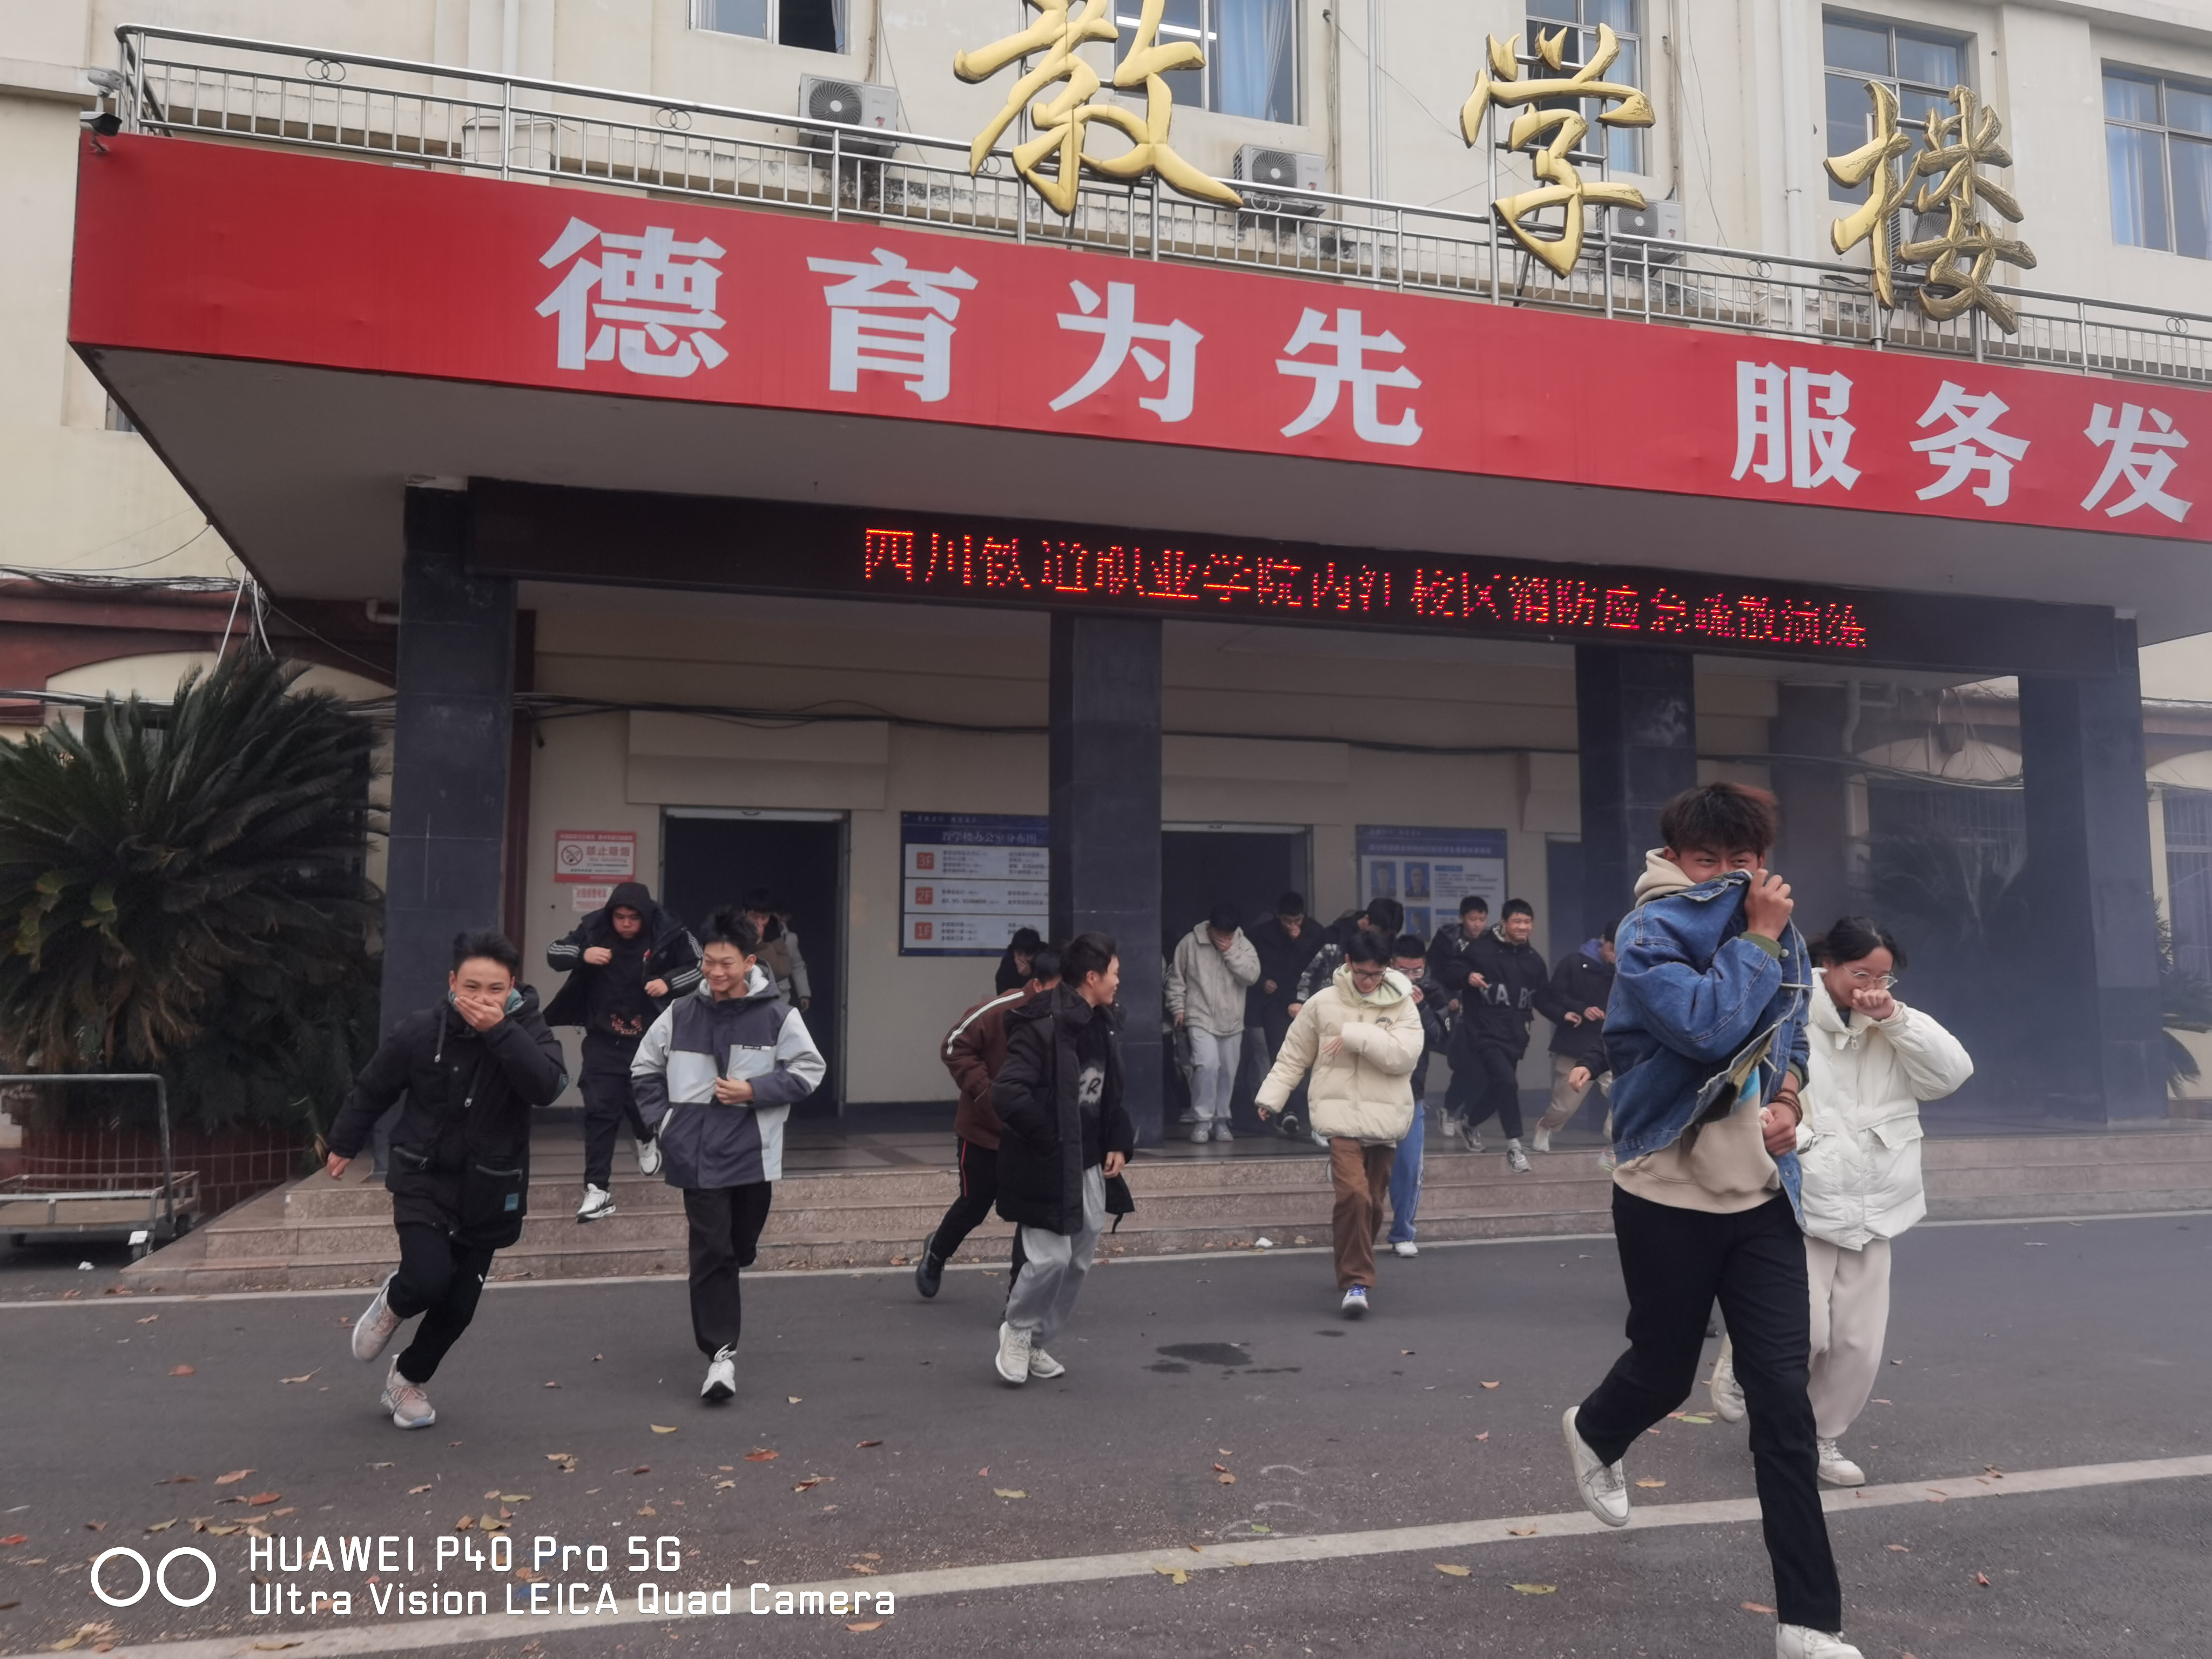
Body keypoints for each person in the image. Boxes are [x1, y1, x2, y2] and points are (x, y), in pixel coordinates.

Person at [1559, 783, 1864, 1659]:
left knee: (1782, 1406)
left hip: (1762, 1198)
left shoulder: (1777, 930)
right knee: (1664, 1372)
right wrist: (1760, 937)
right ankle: (1596, 1430)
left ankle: (1808, 1623)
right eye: (1707, 861)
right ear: (1673, 859)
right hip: (1665, 1190)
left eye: (1743, 860)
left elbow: (1791, 1037)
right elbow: (1705, 1027)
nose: (1727, 876)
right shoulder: (1649, 933)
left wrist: (1789, 1099)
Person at [329, 931, 568, 1431]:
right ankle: (395, 1302)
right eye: (472, 987)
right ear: (453, 982)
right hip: (423, 1176)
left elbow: (547, 1086)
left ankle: (407, 1380)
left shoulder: (529, 1030)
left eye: (495, 989)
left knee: (458, 1308)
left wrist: (501, 1032)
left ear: (512, 988)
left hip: (491, 1187)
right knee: (427, 1277)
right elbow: (374, 1087)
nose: (482, 999)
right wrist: (345, 1142)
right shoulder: (422, 1031)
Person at [1791, 916, 1971, 1487]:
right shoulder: (1790, 1010)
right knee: (1805, 1332)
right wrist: (1805, 1146)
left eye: (1883, 978)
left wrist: (1894, 1019)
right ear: (1829, 966)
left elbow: (1950, 1075)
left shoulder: (1894, 1022)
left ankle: (1821, 1438)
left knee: (1859, 1343)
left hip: (1876, 1202)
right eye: (1860, 974)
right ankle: (1768, 1409)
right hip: (1804, 1200)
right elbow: (1760, 1092)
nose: (1871, 988)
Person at [631, 908, 827, 1404]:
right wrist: (665, 1124)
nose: (716, 972)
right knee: (711, 1251)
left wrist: (754, 1090)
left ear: (748, 962)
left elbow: (809, 1070)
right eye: (710, 963)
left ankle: (738, 1260)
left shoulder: (779, 1017)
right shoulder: (679, 1013)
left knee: (738, 1245)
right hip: (695, 1155)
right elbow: (643, 1069)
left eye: (726, 963)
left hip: (752, 1153)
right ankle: (720, 1355)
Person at [990, 932, 1135, 1385]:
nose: (1119, 980)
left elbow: (1111, 1092)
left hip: (1088, 1161)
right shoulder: (1040, 1024)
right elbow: (1007, 1094)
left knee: (1077, 1260)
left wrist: (1117, 1141)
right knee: (1049, 1259)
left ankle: (1037, 1341)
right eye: (1114, 972)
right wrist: (1051, 1138)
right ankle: (1017, 1331)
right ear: (1092, 976)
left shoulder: (1105, 1023)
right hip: (1046, 1161)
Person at [1256, 929, 1425, 1317]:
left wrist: (1355, 1035)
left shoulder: (1402, 1003)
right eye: (1362, 973)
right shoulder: (1322, 1003)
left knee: (1373, 1205)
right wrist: (1271, 1098)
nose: (1368, 982)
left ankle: (1351, 1262)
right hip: (1339, 1118)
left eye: (1376, 974)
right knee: (1354, 1197)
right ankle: (1356, 1282)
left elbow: (1404, 1057)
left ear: (1387, 968)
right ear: (1348, 964)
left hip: (1385, 1119)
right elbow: (1294, 1055)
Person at [543, 880, 702, 1222]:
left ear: (646, 916)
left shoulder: (669, 931)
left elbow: (701, 966)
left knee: (637, 1098)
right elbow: (554, 952)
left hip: (649, 1038)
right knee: (601, 1108)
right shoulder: (594, 929)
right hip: (603, 1037)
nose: (626, 924)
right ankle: (597, 1189)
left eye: (634, 917)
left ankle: (645, 1136)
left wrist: (669, 983)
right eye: (620, 917)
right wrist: (583, 954)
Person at [915, 942, 1061, 1298]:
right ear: (1038, 984)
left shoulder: (1067, 1018)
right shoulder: (1001, 1008)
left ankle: (1018, 1298)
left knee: (1030, 1213)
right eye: (1059, 989)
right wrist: (986, 1094)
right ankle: (936, 1254)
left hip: (1031, 1134)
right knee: (975, 1203)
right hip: (984, 1131)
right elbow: (953, 1045)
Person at [1440, 898, 1548, 1171]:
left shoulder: (1533, 960)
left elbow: (1545, 998)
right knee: (1507, 1082)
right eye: (1517, 921)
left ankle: (1469, 1123)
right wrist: (1468, 977)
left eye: (1527, 922)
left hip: (1514, 1035)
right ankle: (1514, 1146)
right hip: (1483, 1031)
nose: (1522, 927)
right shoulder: (1481, 949)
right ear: (1504, 923)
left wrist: (1569, 1012)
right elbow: (1451, 972)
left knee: (1499, 1088)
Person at [1166, 902, 1262, 1143]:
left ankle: (1221, 1119)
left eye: (1229, 934)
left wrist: (1230, 953)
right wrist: (1178, 1008)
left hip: (1233, 1018)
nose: (1225, 939)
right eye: (1221, 934)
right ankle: (1202, 1119)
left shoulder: (1242, 944)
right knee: (1206, 1065)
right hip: (1199, 1014)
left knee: (1228, 1071)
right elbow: (1176, 979)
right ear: (1211, 927)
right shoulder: (1190, 943)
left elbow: (1252, 976)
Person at [1529, 921, 1618, 1154]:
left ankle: (1616, 1140)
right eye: (1612, 948)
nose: (1615, 955)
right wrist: (1582, 1009)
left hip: (1612, 1044)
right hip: (1578, 1043)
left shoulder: (1626, 968)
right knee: (1565, 1105)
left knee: (1622, 1094)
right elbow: (1553, 996)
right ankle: (1546, 1127)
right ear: (1603, 941)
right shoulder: (1573, 963)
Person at [1385, 933, 1445, 1259]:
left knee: (1408, 1167)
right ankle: (1361, 1230)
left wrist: (1422, 1008)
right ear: (1390, 965)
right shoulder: (1373, 989)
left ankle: (1402, 1232)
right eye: (1403, 971)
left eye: (1417, 971)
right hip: (1372, 1092)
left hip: (1412, 1092)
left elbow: (1443, 1039)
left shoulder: (1432, 992)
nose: (1410, 978)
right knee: (1367, 1168)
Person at [1244, 892, 1323, 1129]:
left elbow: (1317, 967)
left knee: (1306, 1056)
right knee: (1280, 1056)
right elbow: (1250, 965)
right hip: (1273, 1004)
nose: (1292, 925)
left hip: (1305, 1003)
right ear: (1278, 916)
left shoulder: (1315, 933)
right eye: (1287, 921)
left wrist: (1299, 941)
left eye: (1297, 920)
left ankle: (1295, 1109)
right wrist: (1262, 981)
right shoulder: (1262, 934)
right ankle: (1280, 1110)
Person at [1426, 894, 1491, 1147]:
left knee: (1483, 1068)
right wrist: (1446, 998)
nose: (1477, 925)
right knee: (1466, 1065)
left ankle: (1458, 1112)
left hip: (1481, 1011)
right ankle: (1451, 1110)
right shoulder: (1447, 939)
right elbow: (1433, 973)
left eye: (1482, 919)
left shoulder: (1490, 940)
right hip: (1455, 1012)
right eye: (1473, 919)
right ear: (1463, 918)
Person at [741, 887, 811, 1011]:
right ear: (744, 913)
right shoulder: (732, 933)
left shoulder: (780, 936)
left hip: (778, 999)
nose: (759, 922)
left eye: (764, 917)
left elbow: (787, 969)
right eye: (754, 916)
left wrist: (804, 993)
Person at [994, 927, 1045, 996]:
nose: (1023, 959)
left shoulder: (1045, 961)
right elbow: (1003, 994)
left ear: (1036, 953)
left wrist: (1028, 977)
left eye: (1028, 955)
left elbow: (1047, 993)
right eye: (1019, 954)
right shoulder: (1008, 962)